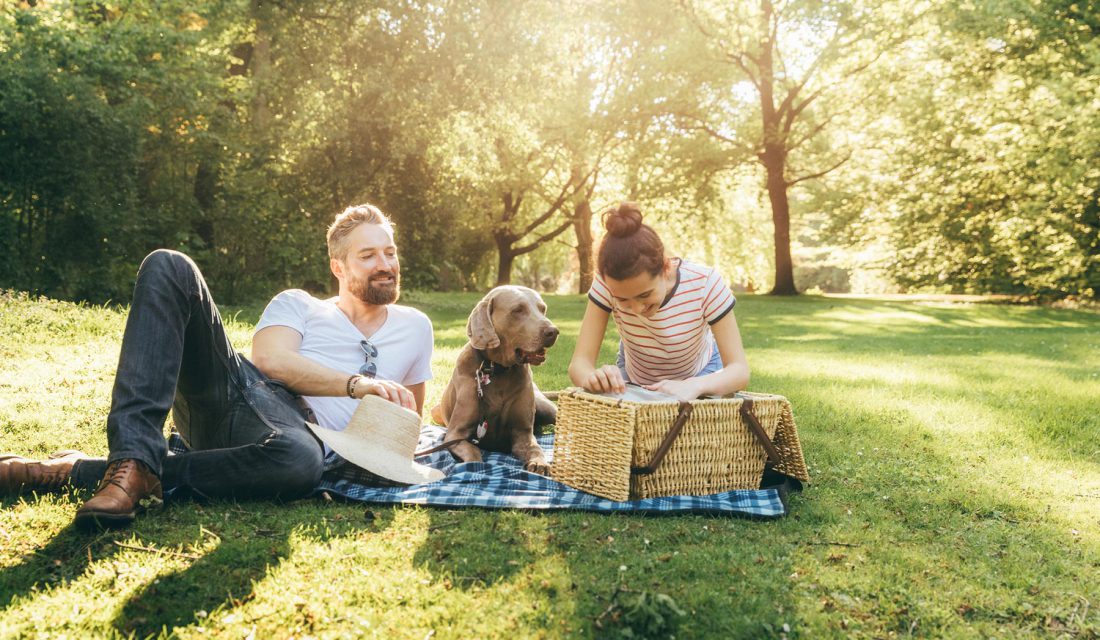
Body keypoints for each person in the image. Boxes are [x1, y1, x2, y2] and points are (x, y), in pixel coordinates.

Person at [0, 203, 433, 528]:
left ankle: (105, 471)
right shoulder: (298, 304)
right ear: (339, 266)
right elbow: (272, 361)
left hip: (292, 451)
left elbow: (408, 420)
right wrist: (357, 385)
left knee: (301, 462)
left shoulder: (417, 327)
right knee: (170, 265)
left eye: (390, 253)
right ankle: (132, 456)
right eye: (369, 255)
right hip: (243, 403)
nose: (386, 265)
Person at [568, 202, 750, 402]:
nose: (636, 309)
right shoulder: (605, 283)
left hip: (701, 375)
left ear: (665, 268)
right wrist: (593, 378)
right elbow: (580, 364)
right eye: (622, 299)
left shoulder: (705, 283)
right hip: (635, 377)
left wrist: (694, 385)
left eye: (644, 295)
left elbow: (739, 371)